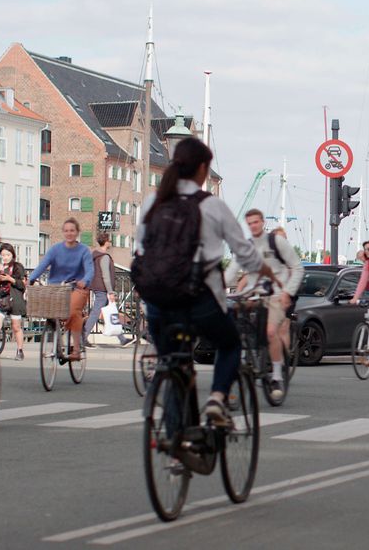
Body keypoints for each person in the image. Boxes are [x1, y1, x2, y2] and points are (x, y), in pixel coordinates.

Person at [135, 137, 270, 426]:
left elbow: (141, 250)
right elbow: (245, 253)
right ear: (202, 169)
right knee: (230, 344)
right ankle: (216, 399)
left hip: (158, 301)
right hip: (199, 299)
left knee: (173, 362)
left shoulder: (151, 203)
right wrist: (268, 274)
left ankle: (174, 448)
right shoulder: (213, 206)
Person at [224, 208, 304, 401]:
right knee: (236, 327)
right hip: (253, 295)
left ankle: (276, 375)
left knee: (269, 332)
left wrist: (287, 292)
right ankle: (245, 361)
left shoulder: (276, 242)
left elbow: (297, 267)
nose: (253, 226)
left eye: (256, 222)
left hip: (276, 295)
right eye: (249, 223)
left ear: (262, 222)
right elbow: (231, 272)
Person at [28, 218, 94, 361]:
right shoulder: (55, 249)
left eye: (72, 230)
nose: (69, 233)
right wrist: (31, 278)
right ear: (63, 232)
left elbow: (90, 269)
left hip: (77, 287)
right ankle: (58, 339)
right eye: (66, 231)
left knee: (72, 311)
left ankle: (76, 350)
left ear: (77, 232)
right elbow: (43, 265)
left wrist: (85, 280)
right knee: (48, 310)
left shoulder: (84, 251)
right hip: (57, 287)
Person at [82, 232, 132, 348]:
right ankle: (82, 337)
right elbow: (106, 276)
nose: (111, 242)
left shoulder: (95, 254)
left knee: (111, 312)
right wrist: (110, 292)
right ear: (106, 242)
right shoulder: (104, 257)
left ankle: (122, 339)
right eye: (109, 240)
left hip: (97, 287)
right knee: (96, 313)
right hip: (102, 289)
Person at [0, 242, 27, 359]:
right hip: (1, 299)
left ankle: (20, 350)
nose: (5, 257)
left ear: (12, 255)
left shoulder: (18, 267)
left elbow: (22, 285)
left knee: (16, 327)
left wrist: (10, 279)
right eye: (3, 255)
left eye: (7, 255)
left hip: (14, 299)